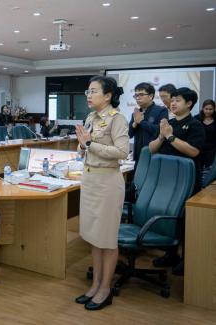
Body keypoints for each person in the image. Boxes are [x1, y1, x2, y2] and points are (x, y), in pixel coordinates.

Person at [74, 76, 129, 311]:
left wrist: (89, 144)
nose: (89, 95)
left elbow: (122, 152)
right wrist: (82, 144)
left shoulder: (117, 118)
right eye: (88, 91)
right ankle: (95, 284)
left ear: (107, 96)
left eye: (94, 91)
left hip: (108, 183)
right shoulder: (90, 117)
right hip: (90, 181)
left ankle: (106, 288)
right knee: (94, 237)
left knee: (107, 238)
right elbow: (83, 148)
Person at [148, 87, 205, 274]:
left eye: (177, 100)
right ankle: (170, 254)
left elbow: (193, 151)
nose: (172, 103)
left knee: (185, 221)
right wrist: (162, 135)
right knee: (168, 218)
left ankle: (186, 260)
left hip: (186, 181)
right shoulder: (169, 124)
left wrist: (170, 136)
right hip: (166, 179)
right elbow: (152, 149)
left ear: (189, 103)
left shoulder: (195, 125)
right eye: (172, 100)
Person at [128, 82, 167, 164]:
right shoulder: (136, 113)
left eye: (141, 95)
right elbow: (129, 134)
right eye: (136, 95)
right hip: (138, 156)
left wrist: (141, 122)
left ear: (150, 96)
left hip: (154, 156)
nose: (138, 98)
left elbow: (160, 131)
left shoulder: (161, 110)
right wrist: (135, 123)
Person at [195, 99, 216, 170]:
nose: (208, 111)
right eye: (206, 109)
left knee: (209, 170)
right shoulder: (196, 118)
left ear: (214, 109)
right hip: (198, 148)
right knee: (198, 168)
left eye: (211, 109)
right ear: (203, 108)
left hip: (212, 149)